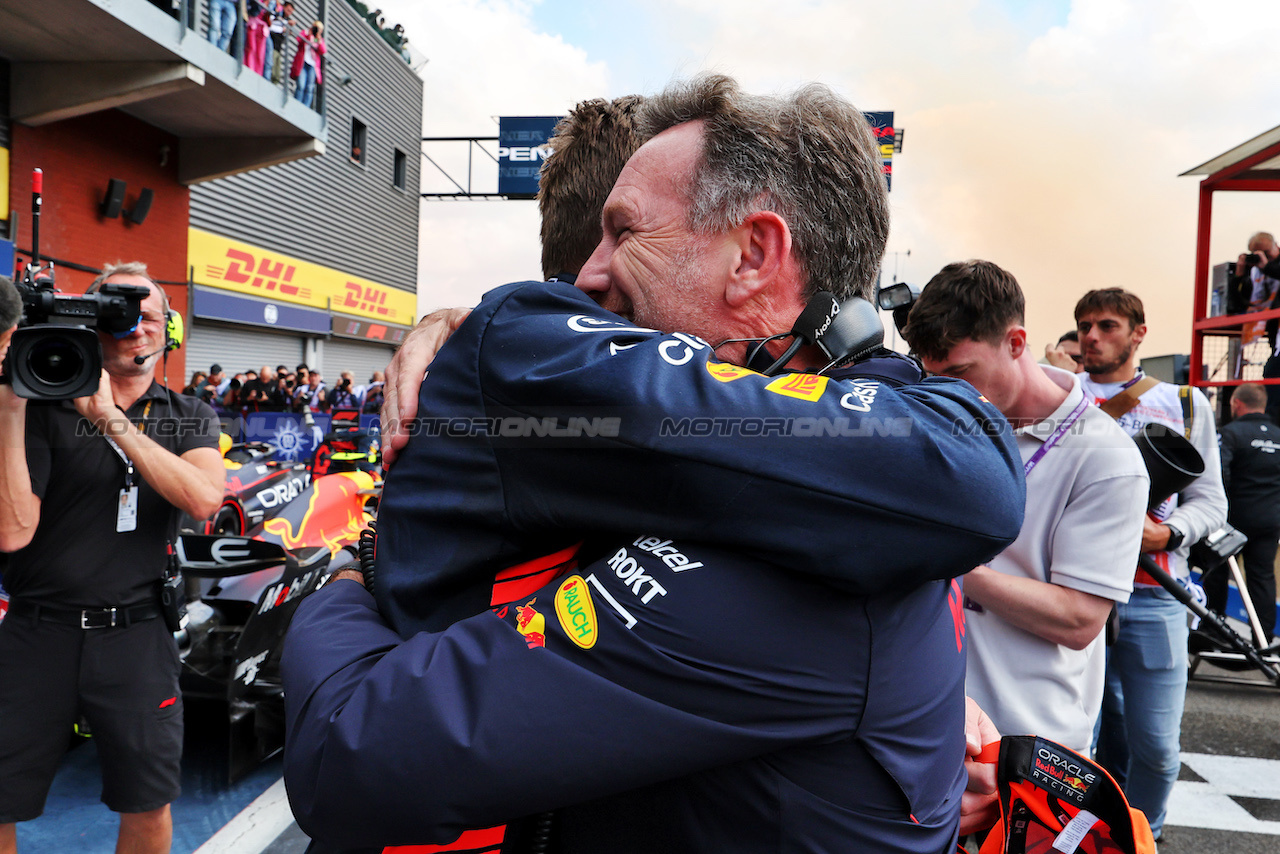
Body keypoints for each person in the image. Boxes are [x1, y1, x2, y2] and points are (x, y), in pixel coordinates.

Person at [283, 75, 1025, 852]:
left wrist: (346, 575)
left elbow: (351, 754)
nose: (586, 279)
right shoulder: (814, 481)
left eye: (624, 233)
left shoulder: (822, 542)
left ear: (755, 256)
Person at [0, 263, 224, 854]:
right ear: (90, 325)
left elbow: (204, 498)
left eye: (148, 315)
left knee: (147, 803)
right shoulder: (38, 406)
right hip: (33, 633)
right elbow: (11, 533)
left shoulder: (189, 415)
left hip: (137, 635)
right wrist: (11, 406)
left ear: (169, 329)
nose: (136, 328)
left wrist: (110, 422)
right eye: (119, 315)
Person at [902, 261, 1148, 754]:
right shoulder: (941, 421)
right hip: (929, 726)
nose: (948, 396)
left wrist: (937, 559)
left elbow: (1079, 620)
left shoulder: (1107, 457)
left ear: (1016, 344)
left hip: (1031, 746)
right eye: (934, 379)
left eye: (960, 374)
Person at [1076, 287, 1228, 840]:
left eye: (1108, 326)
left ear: (1139, 333)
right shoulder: (1058, 394)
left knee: (1158, 750)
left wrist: (1164, 531)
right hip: (1073, 591)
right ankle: (1078, 840)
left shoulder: (1187, 404)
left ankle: (1142, 837)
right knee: (1074, 743)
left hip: (1155, 595)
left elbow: (1212, 502)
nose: (1092, 336)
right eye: (1085, 325)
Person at [1212, 382, 1280, 643]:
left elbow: (1219, 474)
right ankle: (1263, 639)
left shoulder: (1230, 433)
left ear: (1236, 404)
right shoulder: (1277, 434)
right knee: (1262, 578)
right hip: (1269, 521)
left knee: (1216, 570)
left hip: (1233, 521)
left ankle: (1214, 629)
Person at [290, 20, 326, 108]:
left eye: (320, 30)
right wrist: (309, 34)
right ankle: (297, 104)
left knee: (310, 88)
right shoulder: (306, 32)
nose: (318, 31)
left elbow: (323, 50)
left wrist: (318, 38)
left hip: (313, 66)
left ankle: (305, 106)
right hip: (303, 63)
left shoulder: (319, 39)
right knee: (301, 85)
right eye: (316, 28)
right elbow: (299, 39)